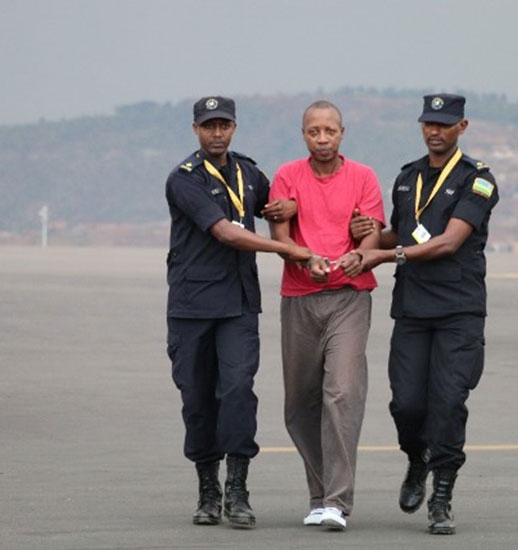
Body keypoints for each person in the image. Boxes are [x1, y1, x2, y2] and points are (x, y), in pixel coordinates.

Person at [351, 93, 500, 535]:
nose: (435, 130)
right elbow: (406, 231)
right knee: (407, 405)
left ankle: (442, 496)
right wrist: (371, 236)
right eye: (428, 123)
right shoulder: (407, 178)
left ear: (462, 127)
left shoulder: (479, 181)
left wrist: (384, 255)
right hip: (413, 310)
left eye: (445, 124)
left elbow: (448, 242)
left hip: (459, 311)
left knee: (449, 403)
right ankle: (417, 458)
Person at [165, 95, 311, 529]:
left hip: (239, 308)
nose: (216, 133)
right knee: (196, 398)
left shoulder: (250, 173)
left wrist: (289, 208)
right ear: (195, 130)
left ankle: (238, 488)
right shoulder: (183, 179)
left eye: (224, 125)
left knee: (237, 391)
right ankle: (207, 489)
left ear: (234, 127)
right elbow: (225, 232)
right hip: (191, 308)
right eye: (208, 126)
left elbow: (275, 205)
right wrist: (284, 248)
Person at [268, 100, 385, 531]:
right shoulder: (287, 175)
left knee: (341, 393)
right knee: (300, 403)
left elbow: (371, 233)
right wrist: (303, 260)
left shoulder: (363, 177)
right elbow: (280, 234)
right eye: (314, 131)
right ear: (304, 135)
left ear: (342, 133)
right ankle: (317, 495)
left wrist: (361, 256)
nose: (322, 139)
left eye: (329, 131)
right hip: (299, 297)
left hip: (349, 298)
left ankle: (337, 501)